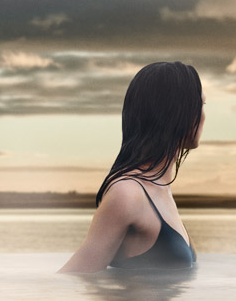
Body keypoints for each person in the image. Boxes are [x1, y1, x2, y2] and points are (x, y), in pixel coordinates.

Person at [58, 61, 204, 273]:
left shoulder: (160, 189)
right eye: (200, 106)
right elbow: (73, 276)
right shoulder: (127, 193)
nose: (203, 116)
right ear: (176, 112)